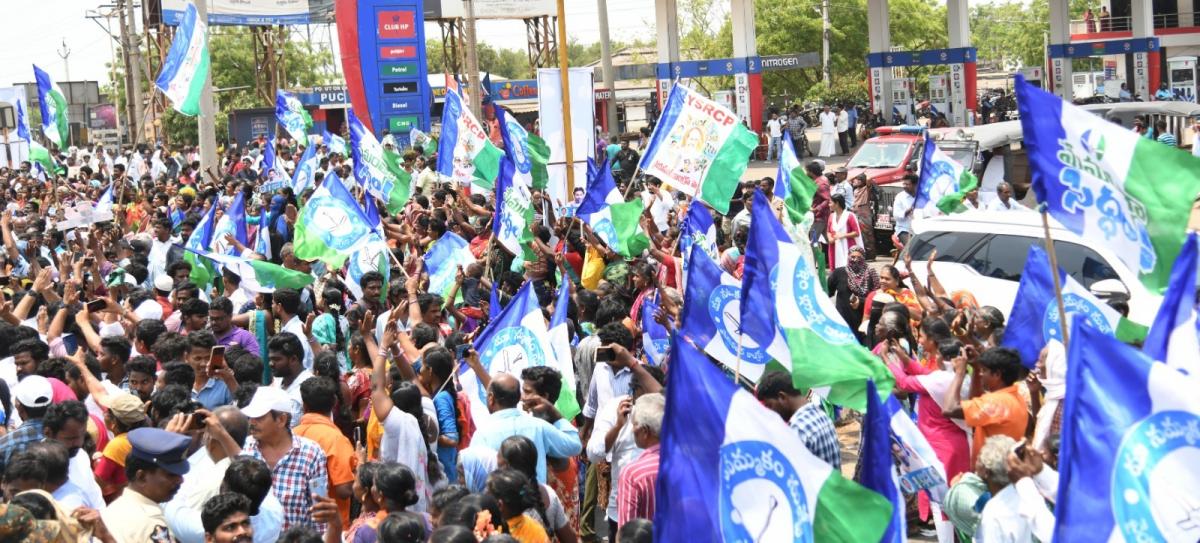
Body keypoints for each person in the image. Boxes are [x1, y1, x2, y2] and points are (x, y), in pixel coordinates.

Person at [240, 386, 329, 532]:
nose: (252, 422)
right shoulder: (244, 449)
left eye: (259, 417)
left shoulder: (311, 453)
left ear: (281, 419)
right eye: (251, 417)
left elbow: (319, 511)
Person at [102, 427, 192, 543]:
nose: (180, 480)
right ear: (141, 477)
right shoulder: (151, 522)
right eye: (171, 475)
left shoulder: (115, 508)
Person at [942, 347, 1029, 464]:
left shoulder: (996, 402)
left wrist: (959, 373)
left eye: (984, 370)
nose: (980, 374)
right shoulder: (1014, 397)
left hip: (991, 475)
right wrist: (976, 367)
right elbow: (975, 401)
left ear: (997, 374)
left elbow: (949, 409)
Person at [294, 377, 357, 527]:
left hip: (299, 525)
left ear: (304, 405)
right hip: (331, 528)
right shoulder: (336, 440)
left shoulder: (292, 435)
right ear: (334, 402)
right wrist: (360, 464)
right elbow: (344, 490)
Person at [754, 371, 840, 468]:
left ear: (782, 397)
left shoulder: (797, 428)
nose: (770, 412)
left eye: (769, 406)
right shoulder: (821, 414)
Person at [615, 393, 664, 528]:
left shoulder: (633, 474)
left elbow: (627, 533)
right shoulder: (687, 464)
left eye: (634, 424)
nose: (632, 430)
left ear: (645, 431)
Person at [828, 246, 878, 337]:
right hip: (843, 320)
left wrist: (861, 301)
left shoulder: (871, 274)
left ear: (864, 258)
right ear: (848, 257)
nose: (855, 260)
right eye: (853, 257)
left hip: (862, 319)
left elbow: (876, 297)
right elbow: (828, 292)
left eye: (859, 257)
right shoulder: (838, 273)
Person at [826, 194, 863, 270]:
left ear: (837, 204)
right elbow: (828, 231)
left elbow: (856, 233)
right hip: (834, 247)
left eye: (830, 203)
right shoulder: (831, 216)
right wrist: (830, 238)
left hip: (848, 247)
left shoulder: (849, 216)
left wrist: (843, 235)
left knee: (849, 269)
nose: (829, 205)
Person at [892, 174, 918, 246]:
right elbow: (896, 215)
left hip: (920, 229)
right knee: (911, 247)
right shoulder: (900, 197)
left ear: (915, 185)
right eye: (904, 184)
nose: (904, 186)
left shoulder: (922, 197)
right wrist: (908, 211)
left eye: (907, 184)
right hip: (904, 229)